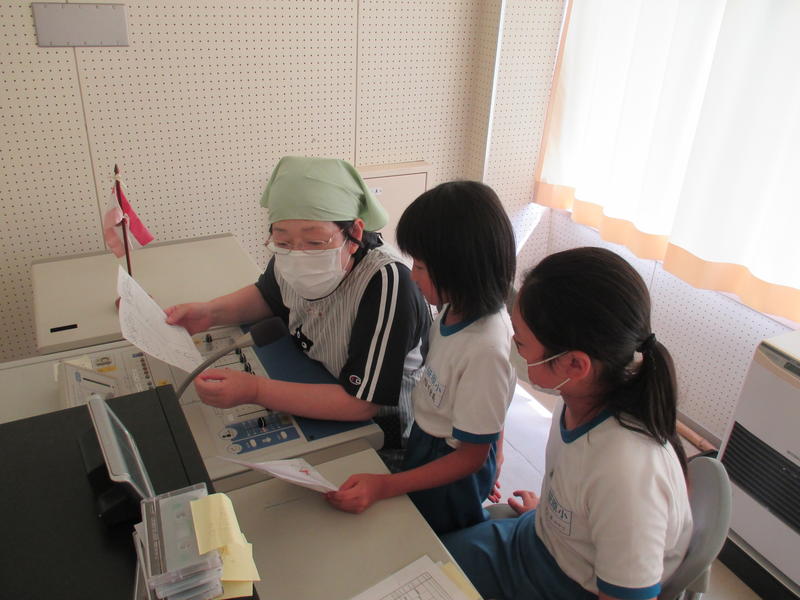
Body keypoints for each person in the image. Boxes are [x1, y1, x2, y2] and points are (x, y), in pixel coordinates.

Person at [440, 247, 693, 600]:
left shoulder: (628, 474)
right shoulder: (576, 399)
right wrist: (551, 519)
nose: (511, 347)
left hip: (567, 586)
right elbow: (578, 486)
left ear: (574, 365)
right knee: (418, 561)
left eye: (521, 341)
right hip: (536, 541)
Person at [165, 156, 430, 468]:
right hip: (319, 381)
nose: (298, 254)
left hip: (384, 432)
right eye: (282, 240)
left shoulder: (387, 283)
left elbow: (361, 404)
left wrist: (255, 389)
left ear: (355, 233)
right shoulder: (289, 254)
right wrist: (210, 313)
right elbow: (269, 295)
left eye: (315, 242)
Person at [325, 180, 517, 535]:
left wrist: (385, 485)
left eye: (422, 267)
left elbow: (470, 457)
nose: (412, 276)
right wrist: (494, 449)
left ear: (462, 269)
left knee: (434, 536)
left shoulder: (486, 349)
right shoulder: (453, 307)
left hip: (452, 463)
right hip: (430, 437)